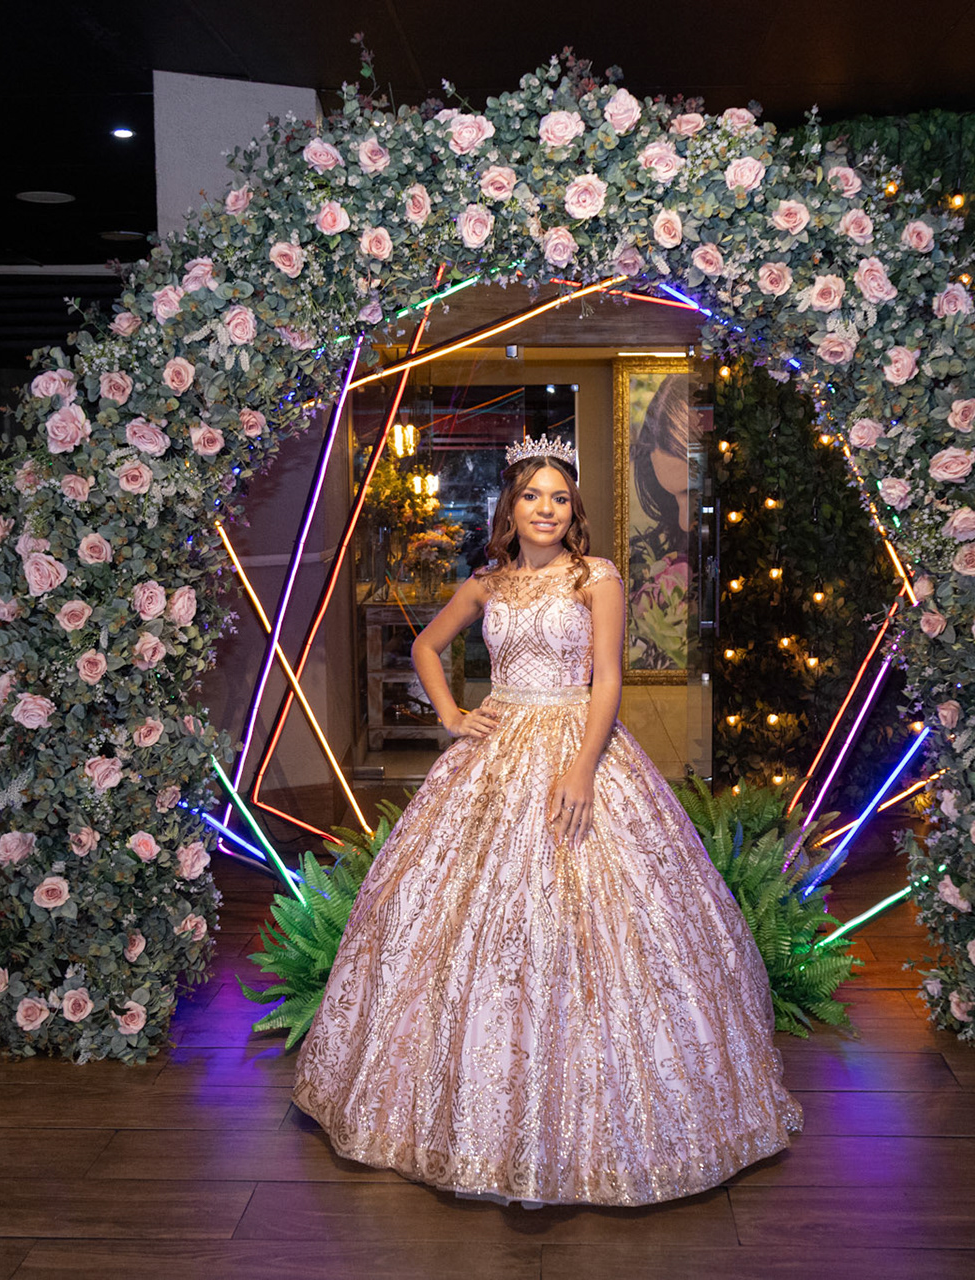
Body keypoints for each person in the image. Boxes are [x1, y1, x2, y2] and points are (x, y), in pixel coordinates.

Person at [291, 435, 800, 1207]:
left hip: (577, 740)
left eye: (560, 497)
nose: (546, 508)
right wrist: (452, 715)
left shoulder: (597, 577)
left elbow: (609, 679)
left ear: (574, 511)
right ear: (511, 506)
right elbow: (426, 646)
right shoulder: (487, 583)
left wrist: (583, 767)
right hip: (497, 747)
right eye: (532, 495)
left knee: (596, 911)